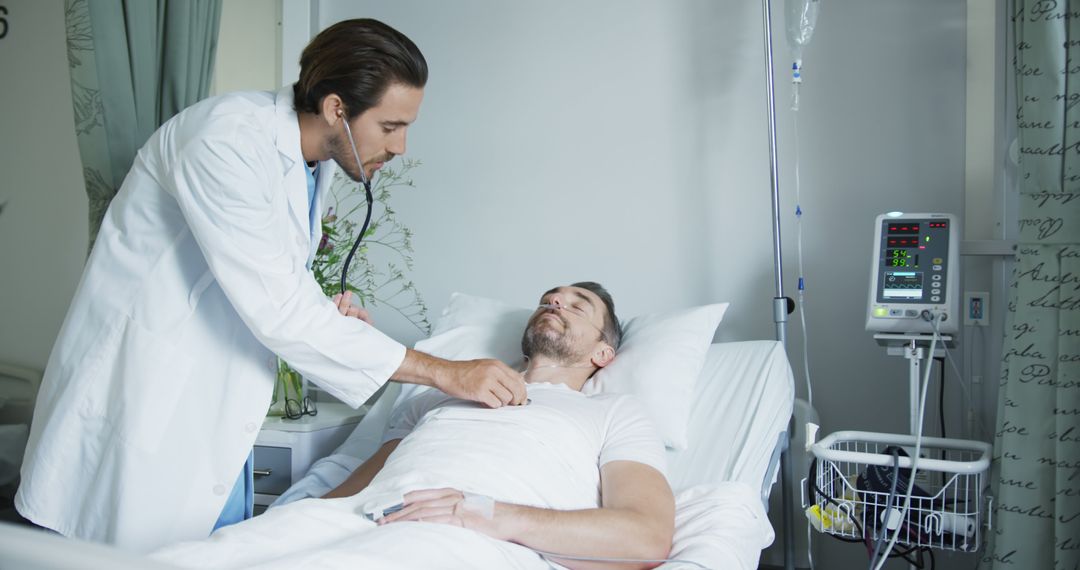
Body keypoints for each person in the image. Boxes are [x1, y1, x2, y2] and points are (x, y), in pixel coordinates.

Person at [16, 18, 525, 553]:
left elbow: (267, 282)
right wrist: (447, 372)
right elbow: (279, 310)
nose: (400, 147)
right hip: (143, 395)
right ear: (336, 109)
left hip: (214, 407)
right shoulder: (224, 140)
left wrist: (323, 310)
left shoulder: (311, 162)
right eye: (391, 126)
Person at [152, 282, 676, 570]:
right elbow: (368, 480)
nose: (554, 301)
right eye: (549, 297)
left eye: (577, 305)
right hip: (362, 517)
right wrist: (341, 344)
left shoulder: (613, 414)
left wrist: (486, 513)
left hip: (465, 538)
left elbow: (647, 536)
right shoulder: (442, 391)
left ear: (605, 353)